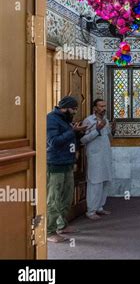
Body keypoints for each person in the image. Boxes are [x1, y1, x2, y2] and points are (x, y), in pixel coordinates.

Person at [46, 96, 87, 243]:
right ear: (65, 107)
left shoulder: (65, 119)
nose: (75, 112)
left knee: (66, 197)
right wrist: (72, 130)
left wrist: (78, 132)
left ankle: (61, 225)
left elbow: (69, 139)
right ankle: (49, 231)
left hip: (67, 164)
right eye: (73, 109)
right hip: (55, 164)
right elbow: (53, 142)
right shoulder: (51, 119)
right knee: (54, 200)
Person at [80, 99, 115, 220]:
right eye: (101, 106)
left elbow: (108, 138)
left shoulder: (105, 120)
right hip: (95, 156)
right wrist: (97, 130)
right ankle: (91, 211)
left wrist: (113, 130)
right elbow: (83, 140)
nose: (103, 108)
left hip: (105, 155)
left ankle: (100, 207)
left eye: (105, 106)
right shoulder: (89, 121)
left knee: (105, 181)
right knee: (95, 182)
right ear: (95, 108)